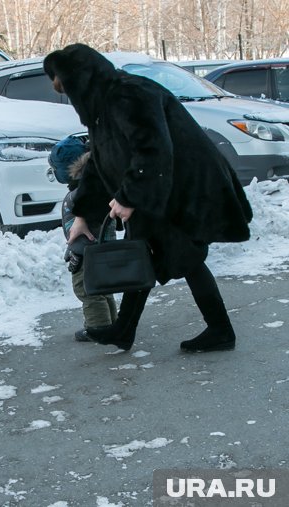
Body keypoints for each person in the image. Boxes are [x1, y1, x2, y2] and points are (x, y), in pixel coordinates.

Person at [43, 43, 252, 353]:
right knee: (149, 254)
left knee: (182, 255)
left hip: (182, 186)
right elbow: (100, 164)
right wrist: (84, 213)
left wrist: (127, 197)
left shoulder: (129, 94)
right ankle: (127, 330)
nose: (68, 96)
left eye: (68, 88)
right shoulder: (102, 107)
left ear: (83, 79)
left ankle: (217, 330)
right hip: (158, 188)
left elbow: (153, 149)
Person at [49, 136, 117, 342]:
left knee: (87, 290)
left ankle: (98, 328)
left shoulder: (78, 195)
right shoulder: (97, 186)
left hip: (87, 252)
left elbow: (80, 232)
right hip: (102, 249)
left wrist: (76, 252)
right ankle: (112, 323)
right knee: (102, 288)